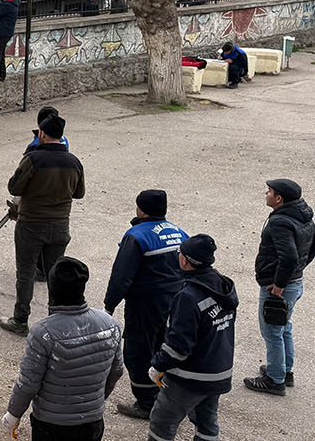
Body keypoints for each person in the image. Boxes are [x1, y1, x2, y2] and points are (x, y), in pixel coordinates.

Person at [1, 257, 123, 441]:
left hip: (52, 425)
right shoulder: (110, 325)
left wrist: (13, 414)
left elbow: (29, 383)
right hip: (92, 422)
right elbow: (116, 371)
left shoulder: (43, 333)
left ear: (52, 288)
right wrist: (94, 402)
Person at [102, 190, 186, 419]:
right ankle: (169, 394)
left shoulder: (137, 236)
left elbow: (121, 276)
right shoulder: (179, 232)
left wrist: (109, 305)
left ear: (141, 209)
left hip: (145, 304)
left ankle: (147, 403)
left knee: (137, 352)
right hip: (177, 302)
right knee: (165, 347)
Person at [0, 114, 85, 335]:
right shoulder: (74, 162)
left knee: (26, 273)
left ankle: (20, 320)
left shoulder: (33, 159)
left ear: (43, 135)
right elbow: (79, 193)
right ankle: (55, 323)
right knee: (55, 274)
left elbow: (15, 187)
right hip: (60, 225)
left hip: (31, 224)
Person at [147, 234, 237, 441]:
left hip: (190, 377)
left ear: (185, 261)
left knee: (162, 423)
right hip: (218, 372)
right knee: (207, 422)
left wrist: (158, 365)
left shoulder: (188, 297)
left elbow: (179, 347)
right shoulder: (222, 286)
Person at [243, 179, 314, 395]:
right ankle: (285, 370)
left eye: (270, 191)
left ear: (279, 198)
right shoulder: (304, 216)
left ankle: (275, 380)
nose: (266, 193)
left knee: (272, 331)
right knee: (284, 327)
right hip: (295, 283)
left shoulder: (281, 222)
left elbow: (290, 257)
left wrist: (278, 286)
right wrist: (298, 270)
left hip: (279, 287)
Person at [11, 106, 71, 283]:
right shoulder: (64, 144)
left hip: (35, 208)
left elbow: (19, 184)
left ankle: (37, 271)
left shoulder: (34, 151)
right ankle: (47, 270)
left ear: (40, 128)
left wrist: (16, 205)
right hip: (59, 204)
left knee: (32, 242)